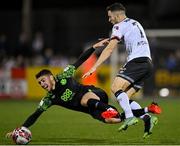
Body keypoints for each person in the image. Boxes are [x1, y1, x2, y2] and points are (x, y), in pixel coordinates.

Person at [6, 45, 161, 140]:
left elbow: (80, 61)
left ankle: (109, 109)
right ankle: (147, 111)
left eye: (43, 80)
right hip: (92, 109)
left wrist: (94, 48)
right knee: (113, 121)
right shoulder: (49, 99)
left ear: (51, 77)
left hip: (95, 93)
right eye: (39, 83)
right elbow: (34, 115)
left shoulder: (64, 75)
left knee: (83, 99)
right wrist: (20, 129)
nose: (42, 84)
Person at [82, 3, 154, 132]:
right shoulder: (135, 23)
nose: (109, 20)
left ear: (117, 15)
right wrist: (111, 39)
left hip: (137, 61)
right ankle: (147, 117)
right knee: (125, 96)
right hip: (148, 64)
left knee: (115, 87)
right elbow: (130, 38)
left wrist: (94, 67)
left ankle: (129, 117)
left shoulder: (118, 26)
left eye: (110, 17)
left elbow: (109, 50)